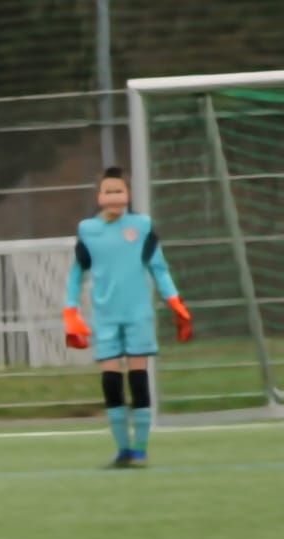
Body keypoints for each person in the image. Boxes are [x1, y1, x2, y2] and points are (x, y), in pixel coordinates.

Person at [63, 165, 193, 468]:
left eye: (119, 191)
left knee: (138, 379)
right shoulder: (88, 231)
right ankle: (122, 450)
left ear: (128, 194)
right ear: (99, 197)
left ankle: (140, 449)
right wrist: (70, 309)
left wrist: (174, 300)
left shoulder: (142, 227)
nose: (114, 197)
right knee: (111, 382)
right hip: (105, 318)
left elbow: (159, 269)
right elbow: (77, 274)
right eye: (108, 191)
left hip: (138, 316)